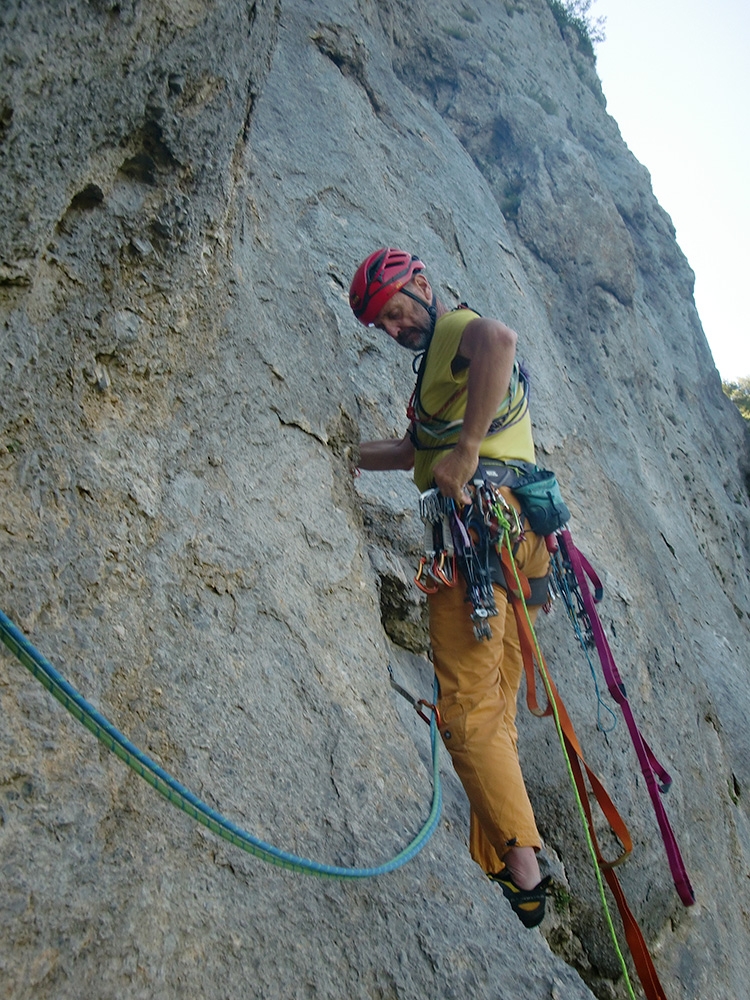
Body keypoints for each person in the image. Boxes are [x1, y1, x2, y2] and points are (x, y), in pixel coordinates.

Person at [349, 247, 551, 928]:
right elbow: (409, 453)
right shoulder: (435, 367)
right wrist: (345, 454)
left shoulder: (456, 332)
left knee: (465, 709)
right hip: (517, 541)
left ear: (423, 287)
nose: (394, 326)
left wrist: (466, 450)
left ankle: (523, 870)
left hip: (475, 538)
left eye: (398, 309)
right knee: (493, 705)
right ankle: (500, 855)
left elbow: (499, 338)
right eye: (383, 323)